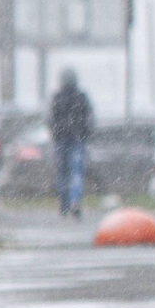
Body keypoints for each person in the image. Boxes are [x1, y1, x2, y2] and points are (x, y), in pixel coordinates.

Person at [49, 70, 94, 219]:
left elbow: (51, 119)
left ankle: (64, 204)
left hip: (63, 139)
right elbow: (89, 117)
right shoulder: (80, 97)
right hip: (76, 139)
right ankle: (74, 200)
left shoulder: (58, 98)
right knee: (76, 172)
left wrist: (57, 133)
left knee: (63, 173)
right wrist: (84, 133)